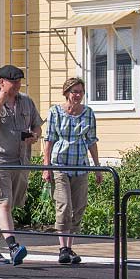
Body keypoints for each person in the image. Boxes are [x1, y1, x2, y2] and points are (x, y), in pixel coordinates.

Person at [0, 64, 41, 265]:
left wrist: (35, 136)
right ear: (2, 82)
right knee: (3, 203)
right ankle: (13, 246)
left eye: (19, 82)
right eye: (13, 82)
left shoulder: (26, 102)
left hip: (20, 160)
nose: (17, 86)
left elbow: (36, 124)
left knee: (7, 206)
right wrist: (0, 103)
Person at [43, 76, 100, 265]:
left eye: (81, 92)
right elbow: (49, 139)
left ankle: (70, 246)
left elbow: (91, 141)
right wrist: (46, 167)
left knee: (78, 207)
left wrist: (97, 167)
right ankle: (63, 248)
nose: (77, 95)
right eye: (74, 92)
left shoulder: (88, 113)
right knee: (64, 206)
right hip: (59, 164)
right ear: (67, 92)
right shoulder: (56, 112)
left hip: (80, 165)